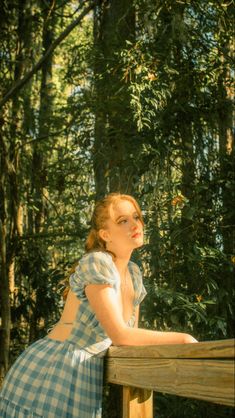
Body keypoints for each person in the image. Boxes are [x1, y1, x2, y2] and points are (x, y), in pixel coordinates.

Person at [0, 192, 197, 417]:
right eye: (123, 221)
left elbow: (131, 339)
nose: (135, 224)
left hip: (85, 374)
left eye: (136, 217)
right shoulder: (97, 262)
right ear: (105, 234)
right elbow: (120, 335)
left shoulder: (134, 273)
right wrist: (183, 340)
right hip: (57, 368)